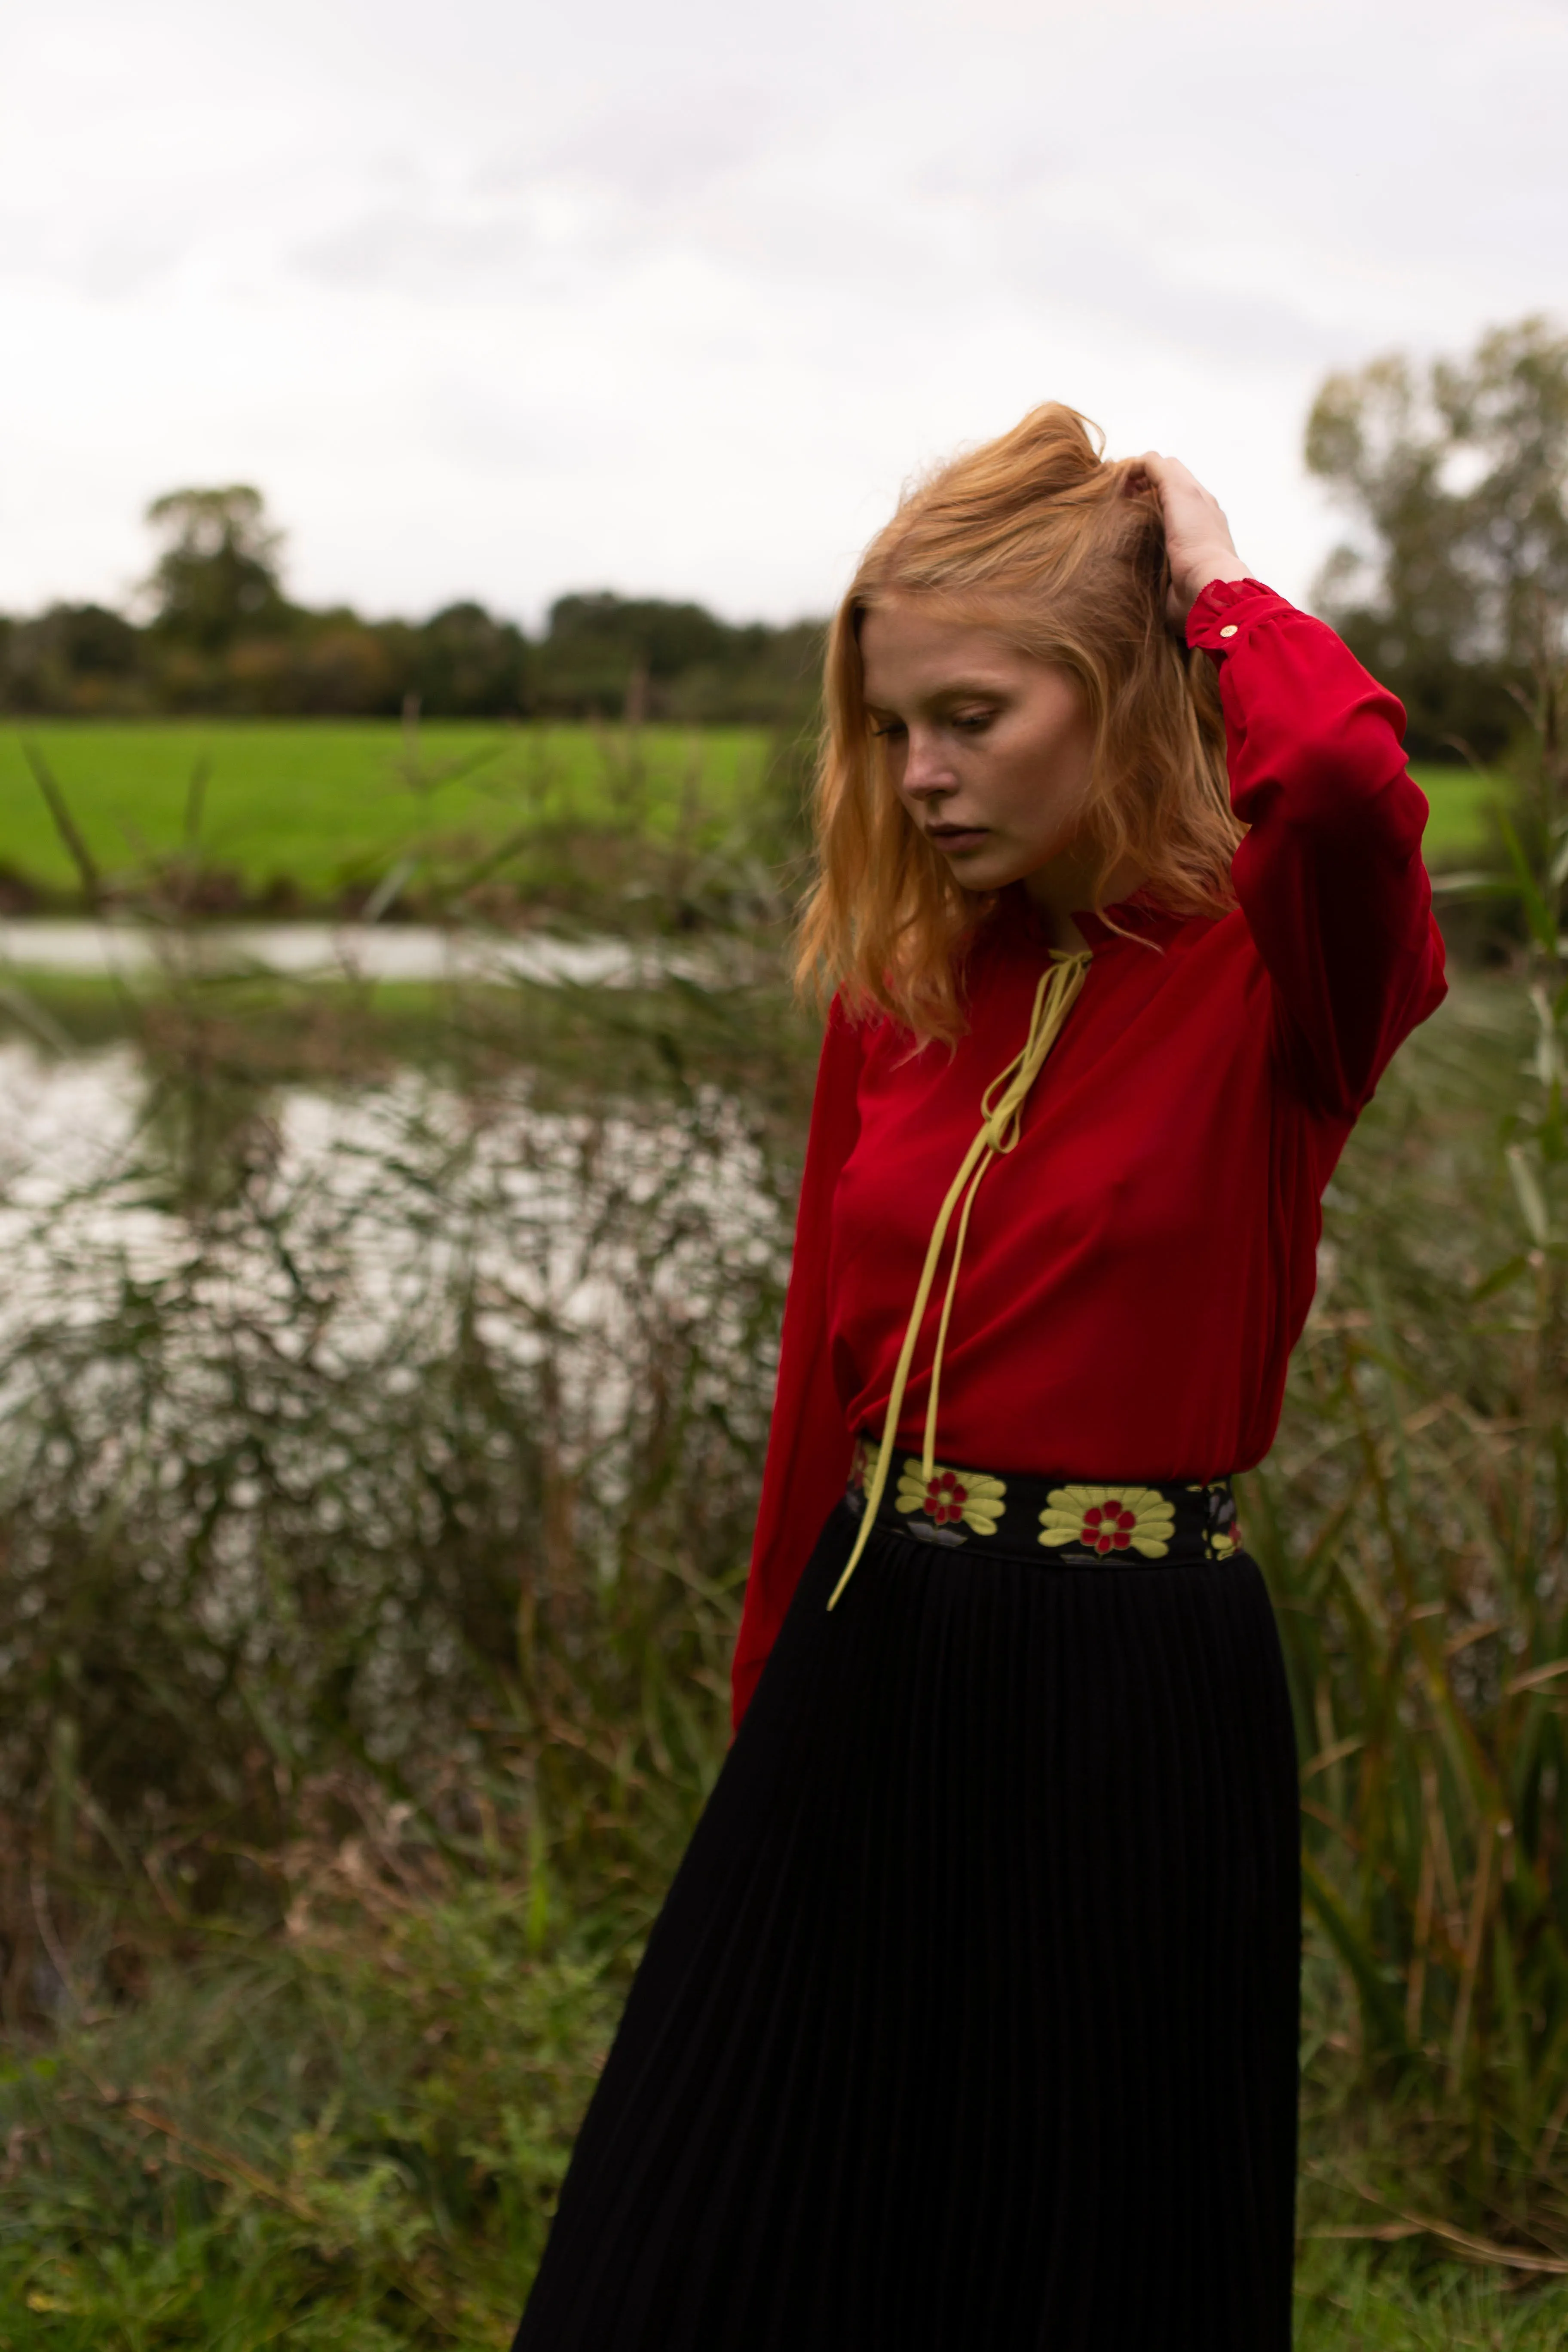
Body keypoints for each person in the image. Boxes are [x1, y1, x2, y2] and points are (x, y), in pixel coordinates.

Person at [511, 404, 1447, 2351]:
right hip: (875, 1646)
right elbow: (812, 1400)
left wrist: (1212, 578)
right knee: (690, 2241)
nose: (919, 775)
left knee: (1075, 2265)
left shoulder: (1281, 979)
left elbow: (1349, 786)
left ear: (1117, 693)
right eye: (887, 726)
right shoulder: (910, 986)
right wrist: (772, 1706)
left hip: (1133, 1686)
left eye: (972, 715)